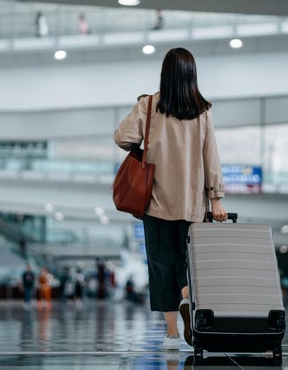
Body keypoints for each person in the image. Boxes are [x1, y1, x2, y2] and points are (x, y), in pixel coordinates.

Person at [114, 47, 227, 350]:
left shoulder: (149, 105)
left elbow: (121, 136)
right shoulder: (203, 113)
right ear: (192, 75)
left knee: (161, 265)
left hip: (156, 202)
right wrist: (215, 199)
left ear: (164, 74)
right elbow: (211, 157)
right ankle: (187, 299)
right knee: (186, 265)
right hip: (192, 205)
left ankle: (172, 334)